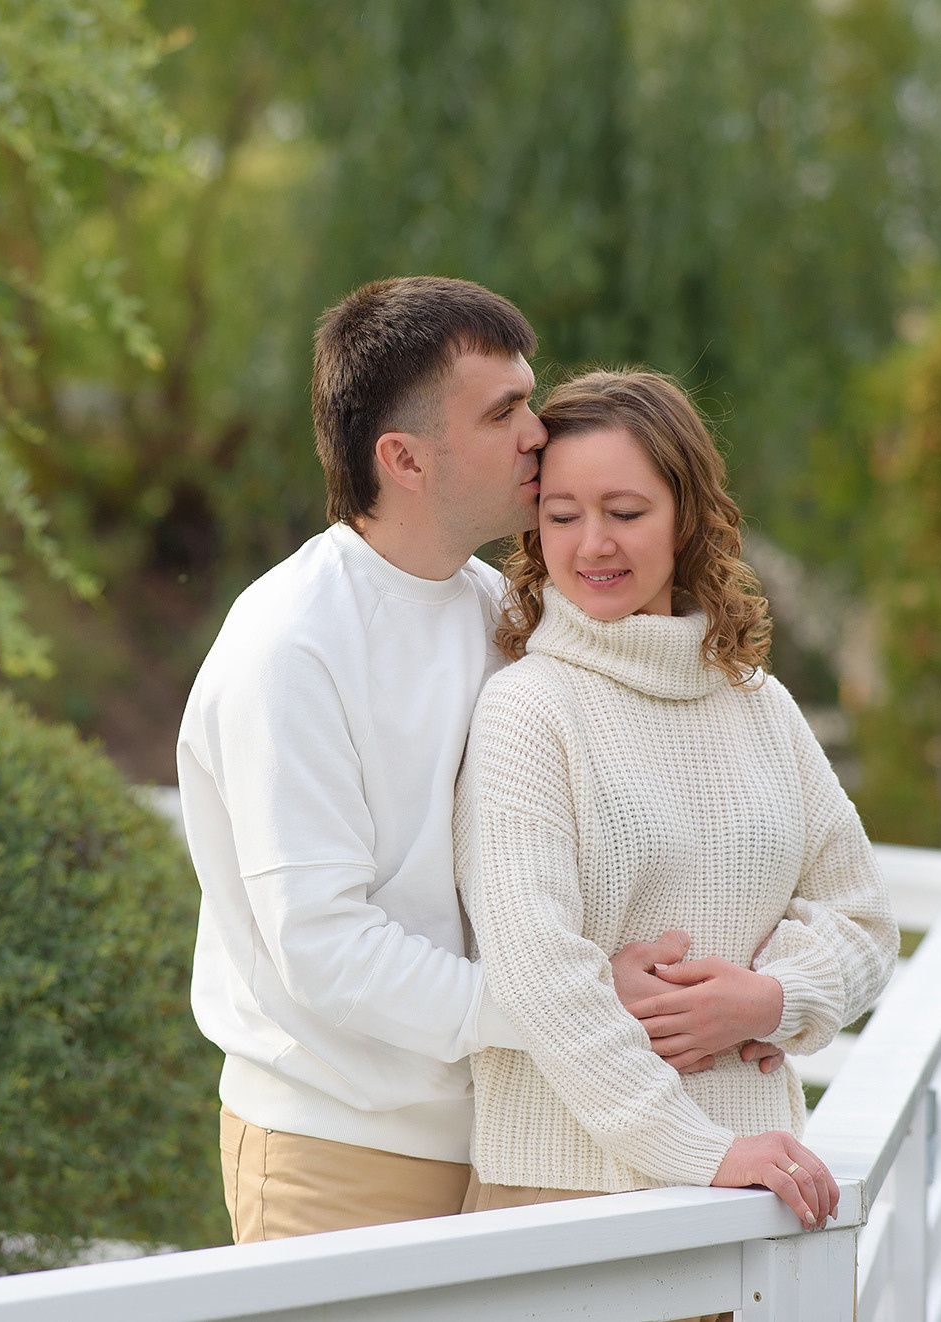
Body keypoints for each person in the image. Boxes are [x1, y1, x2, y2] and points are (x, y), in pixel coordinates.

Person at [179, 279, 731, 1244]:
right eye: (504, 411)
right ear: (404, 458)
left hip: (515, 1139)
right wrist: (578, 1001)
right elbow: (325, 950)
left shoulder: (504, 612)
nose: (539, 430)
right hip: (342, 1150)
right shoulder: (291, 645)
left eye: (531, 396)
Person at [455, 369, 899, 1242]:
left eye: (625, 512)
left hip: (757, 1196)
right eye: (562, 515)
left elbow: (866, 921)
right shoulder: (527, 711)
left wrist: (769, 1000)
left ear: (686, 517)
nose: (592, 545)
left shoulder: (759, 705)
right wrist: (699, 1151)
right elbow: (541, 978)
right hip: (571, 1205)